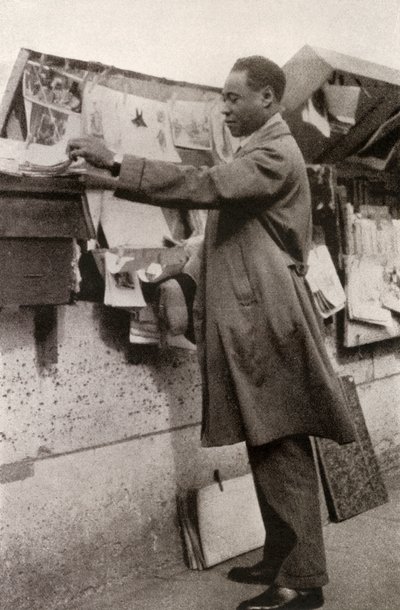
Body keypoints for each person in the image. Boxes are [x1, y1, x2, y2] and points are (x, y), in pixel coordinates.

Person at [67, 56, 355, 610]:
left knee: (280, 441)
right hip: (256, 316)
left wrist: (120, 160)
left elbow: (204, 184)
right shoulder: (257, 149)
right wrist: (120, 189)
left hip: (268, 319)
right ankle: (280, 559)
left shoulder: (273, 151)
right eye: (222, 97)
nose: (223, 107)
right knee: (264, 437)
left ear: (268, 98)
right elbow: (225, 234)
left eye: (232, 97)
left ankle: (303, 581)